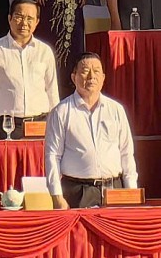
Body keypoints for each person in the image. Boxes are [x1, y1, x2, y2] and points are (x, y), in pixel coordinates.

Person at [45, 53, 138, 209]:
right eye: (85, 70)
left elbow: (126, 153)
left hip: (114, 189)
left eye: (96, 71)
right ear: (74, 77)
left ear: (103, 78)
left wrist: (131, 191)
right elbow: (52, 155)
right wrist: (56, 196)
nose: (91, 76)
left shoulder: (116, 110)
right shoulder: (61, 112)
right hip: (78, 191)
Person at [0, 0, 59, 141]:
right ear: (10, 18)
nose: (24, 23)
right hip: (6, 126)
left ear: (37, 22)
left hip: (40, 124)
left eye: (29, 18)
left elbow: (52, 92)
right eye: (19, 17)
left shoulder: (45, 51)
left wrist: (57, 126)